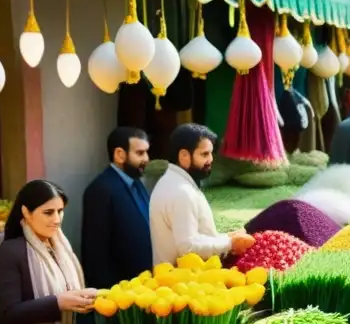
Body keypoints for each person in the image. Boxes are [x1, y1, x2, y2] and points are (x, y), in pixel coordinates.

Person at [0, 180, 97, 324]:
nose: (57, 219)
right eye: (48, 212)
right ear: (26, 212)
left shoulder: (61, 248)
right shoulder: (10, 251)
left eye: (60, 211)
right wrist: (58, 303)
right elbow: (8, 312)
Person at [149, 123, 254, 265]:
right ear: (184, 156)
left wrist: (225, 238)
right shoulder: (181, 192)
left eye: (211, 153)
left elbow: (195, 237)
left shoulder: (171, 182)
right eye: (204, 154)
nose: (211, 159)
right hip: (182, 282)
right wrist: (229, 244)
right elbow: (188, 247)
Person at [81, 127, 153, 292]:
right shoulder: (100, 190)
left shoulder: (138, 184)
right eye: (140, 153)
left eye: (147, 152)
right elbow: (95, 252)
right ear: (120, 154)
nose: (146, 159)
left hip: (143, 289)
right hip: (118, 295)